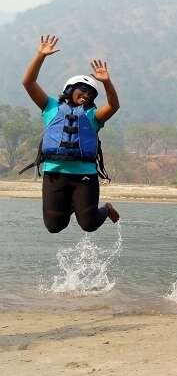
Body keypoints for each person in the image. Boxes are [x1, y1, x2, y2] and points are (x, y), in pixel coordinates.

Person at [20, 35, 121, 233]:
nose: (87, 95)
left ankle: (105, 208)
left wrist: (107, 82)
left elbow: (113, 105)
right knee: (55, 226)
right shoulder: (50, 107)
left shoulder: (93, 115)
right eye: (82, 90)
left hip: (85, 175)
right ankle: (74, 204)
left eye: (91, 93)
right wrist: (40, 56)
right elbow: (28, 82)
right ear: (69, 90)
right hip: (55, 174)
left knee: (89, 225)